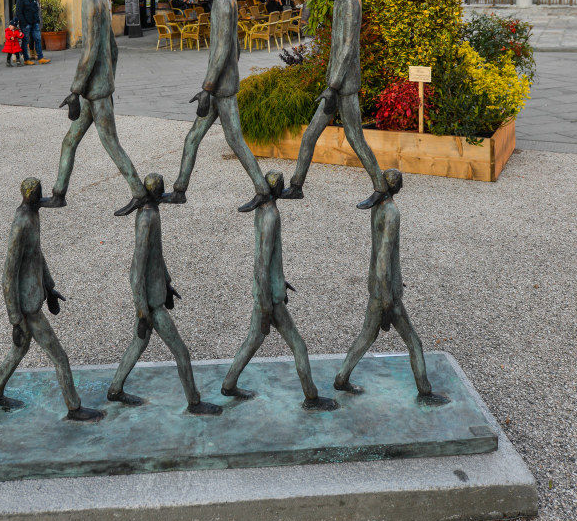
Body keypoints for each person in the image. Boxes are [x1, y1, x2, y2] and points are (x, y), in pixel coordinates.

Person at [0, 178, 103, 421]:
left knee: (19, 351)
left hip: (33, 301)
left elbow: (37, 255)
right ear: (32, 196)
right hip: (27, 309)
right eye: (40, 194)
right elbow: (8, 275)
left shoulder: (33, 216)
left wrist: (49, 287)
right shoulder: (21, 223)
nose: (43, 197)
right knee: (60, 357)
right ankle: (74, 407)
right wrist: (15, 319)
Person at [162, 0, 271, 212]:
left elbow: (222, 49)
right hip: (224, 80)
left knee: (234, 139)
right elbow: (236, 44)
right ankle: (179, 190)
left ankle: (262, 189)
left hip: (220, 87)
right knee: (193, 138)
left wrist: (207, 88)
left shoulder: (222, 2)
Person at [108, 173, 222, 415]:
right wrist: (142, 311)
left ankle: (115, 389)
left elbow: (156, 254)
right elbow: (136, 271)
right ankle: (194, 402)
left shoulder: (152, 213)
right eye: (162, 191)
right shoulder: (147, 218)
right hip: (151, 306)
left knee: (137, 345)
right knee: (181, 352)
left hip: (154, 296)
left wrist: (167, 282)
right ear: (156, 194)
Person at [221, 171, 337, 410]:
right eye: (282, 185)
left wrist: (279, 280)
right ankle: (311, 397)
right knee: (298, 346)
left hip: (267, 292)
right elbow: (262, 263)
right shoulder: (271, 215)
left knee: (253, 341)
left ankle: (229, 383)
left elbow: (269, 261)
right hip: (269, 300)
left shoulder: (262, 210)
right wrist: (265, 305)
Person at [282, 0, 390, 207]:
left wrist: (333, 86)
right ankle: (296, 186)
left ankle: (380, 187)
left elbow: (348, 47)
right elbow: (313, 17)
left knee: (354, 137)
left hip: (344, 84)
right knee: (310, 135)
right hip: (336, 81)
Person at [334, 170, 446, 405]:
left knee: (366, 336)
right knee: (414, 342)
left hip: (377, 285)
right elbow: (384, 259)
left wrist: (390, 281)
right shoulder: (392, 212)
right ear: (397, 187)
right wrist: (388, 299)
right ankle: (425, 392)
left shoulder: (377, 208)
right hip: (387, 294)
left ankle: (342, 377)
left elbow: (382, 258)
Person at [46, 0, 145, 216]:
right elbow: (112, 47)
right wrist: (108, 76)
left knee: (111, 143)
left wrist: (75, 90)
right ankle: (59, 194)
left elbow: (89, 51)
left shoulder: (90, 0)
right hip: (98, 87)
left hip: (95, 91)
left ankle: (139, 192)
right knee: (69, 141)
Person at [14, 0, 49, 64]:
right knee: (25, 41)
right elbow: (19, 13)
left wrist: (37, 21)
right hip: (26, 24)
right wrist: (24, 23)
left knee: (38, 39)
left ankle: (40, 57)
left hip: (35, 23)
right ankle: (26, 59)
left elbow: (36, 10)